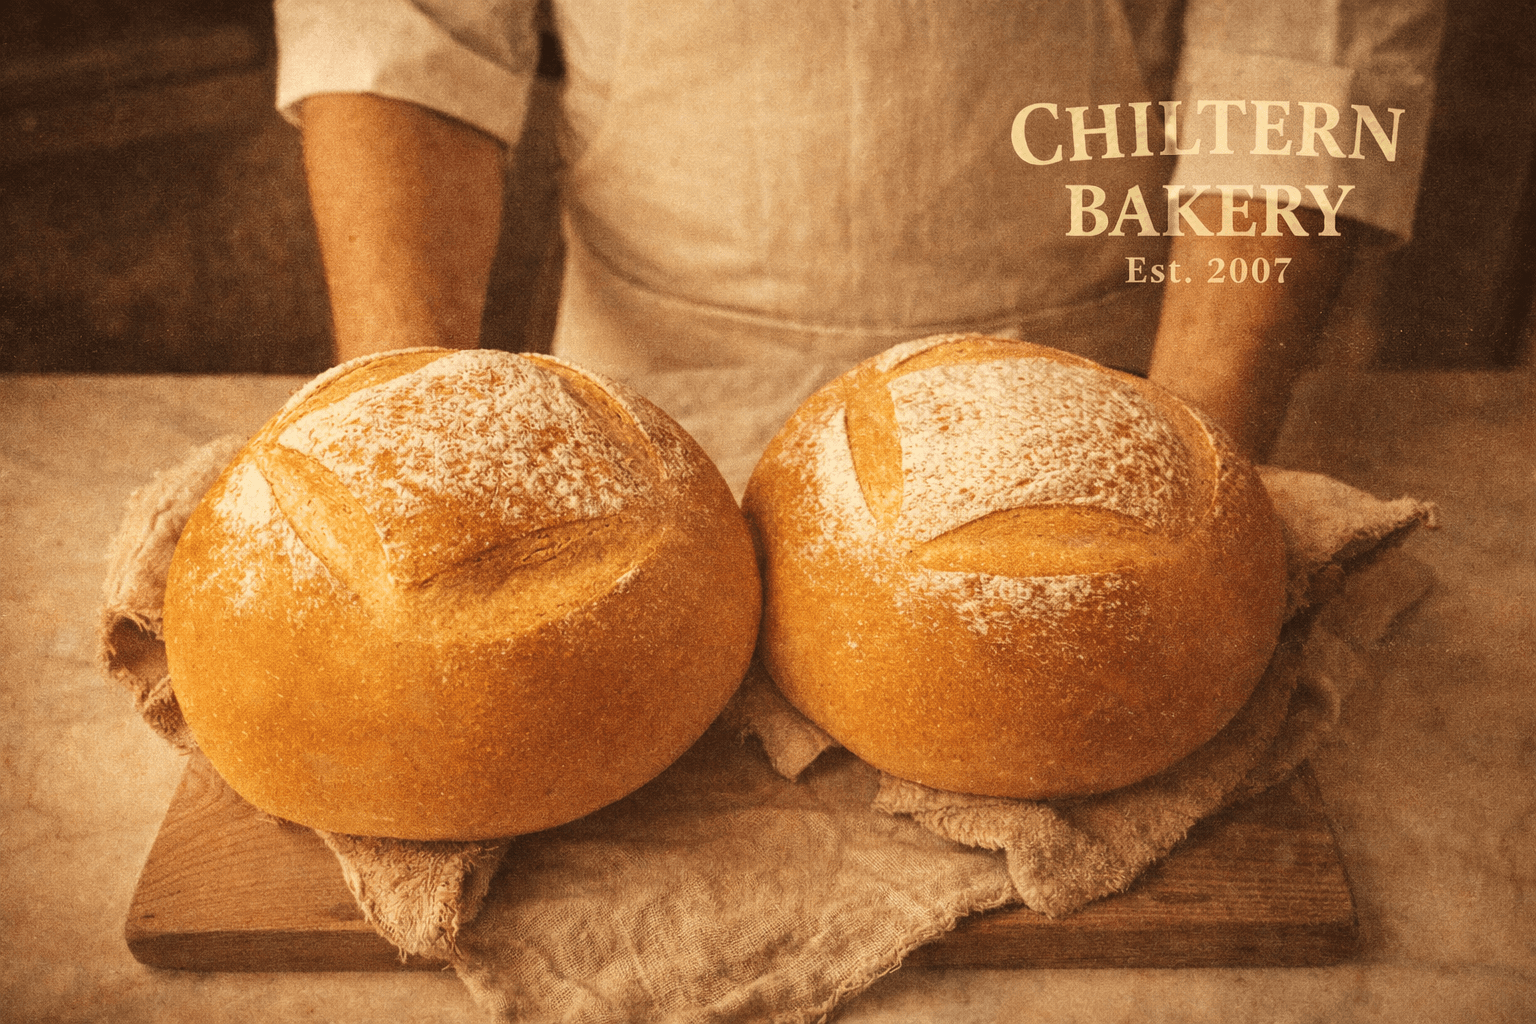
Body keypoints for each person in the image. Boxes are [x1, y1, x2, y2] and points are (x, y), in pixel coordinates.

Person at [273, 0, 1443, 461]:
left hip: (1125, 378)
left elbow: (1307, 36)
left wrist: (1199, 466)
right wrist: (404, 430)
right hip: (649, 403)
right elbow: (401, 31)